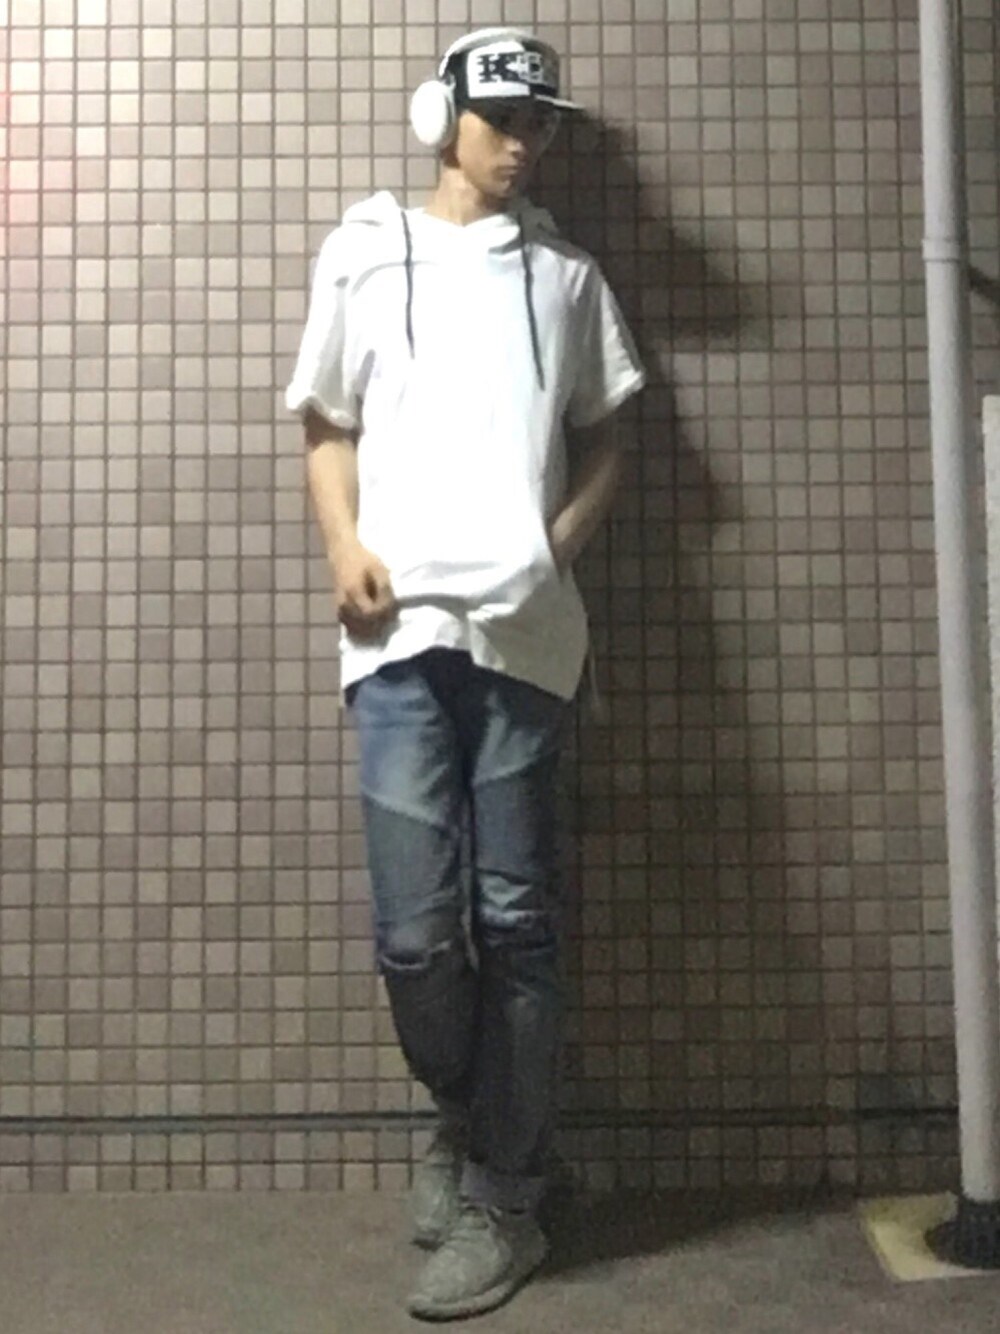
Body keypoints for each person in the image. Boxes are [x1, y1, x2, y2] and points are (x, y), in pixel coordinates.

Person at [286, 27, 645, 1322]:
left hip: (527, 645)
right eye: (502, 118)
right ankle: (470, 1114)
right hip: (394, 643)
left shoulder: (566, 278)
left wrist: (557, 547)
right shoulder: (365, 250)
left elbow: (610, 432)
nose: (522, 143)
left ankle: (507, 1193)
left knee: (518, 920)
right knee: (417, 932)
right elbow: (325, 419)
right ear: (442, 117)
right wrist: (343, 545)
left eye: (539, 123)